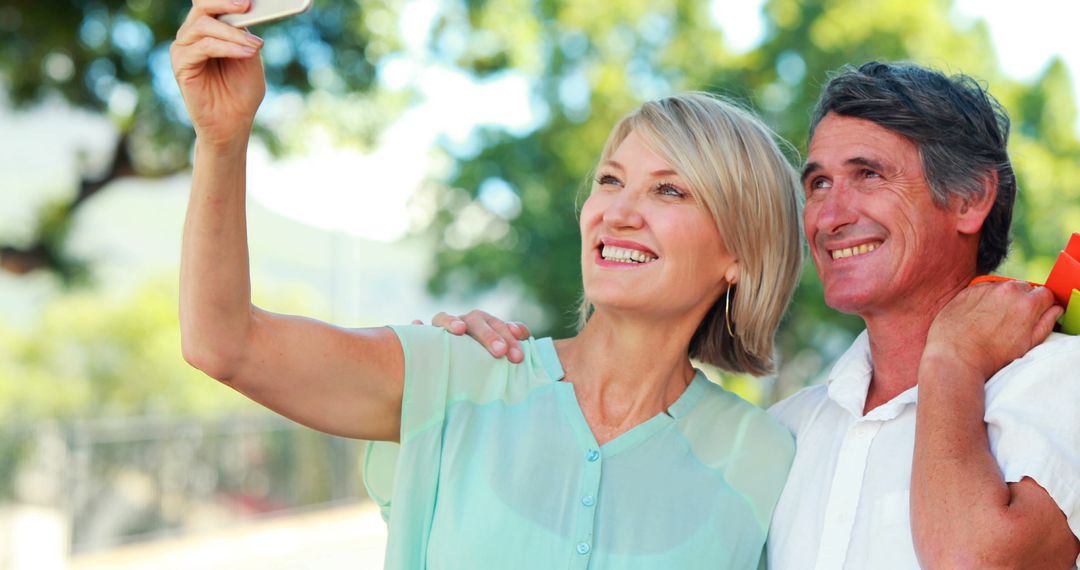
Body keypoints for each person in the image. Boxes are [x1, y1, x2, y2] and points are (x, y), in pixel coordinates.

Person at [170, 1, 806, 568]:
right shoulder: (455, 375)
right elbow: (223, 343)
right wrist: (222, 142)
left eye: (669, 190)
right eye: (611, 181)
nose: (618, 211)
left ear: (741, 254)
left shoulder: (768, 461)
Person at [442, 62, 1080, 568]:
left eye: (869, 174)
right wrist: (497, 375)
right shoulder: (787, 432)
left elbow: (974, 561)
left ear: (969, 199)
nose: (830, 215)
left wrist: (954, 360)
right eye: (819, 183)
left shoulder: (1059, 383)